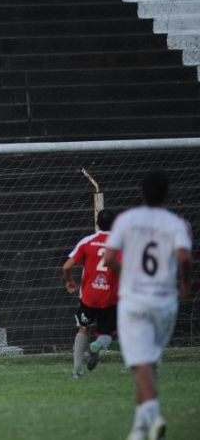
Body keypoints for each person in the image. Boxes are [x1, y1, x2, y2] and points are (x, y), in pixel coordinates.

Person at [103, 170, 192, 440]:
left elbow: (108, 258)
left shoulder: (127, 220)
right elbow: (184, 256)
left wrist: (125, 272)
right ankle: (140, 429)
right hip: (165, 302)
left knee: (141, 362)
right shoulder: (175, 223)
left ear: (141, 192)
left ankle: (153, 415)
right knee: (148, 363)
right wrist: (184, 283)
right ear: (167, 194)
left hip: (135, 301)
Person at [62, 209, 119, 378]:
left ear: (97, 223)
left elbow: (66, 266)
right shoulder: (119, 244)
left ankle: (76, 371)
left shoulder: (87, 242)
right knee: (107, 334)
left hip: (89, 296)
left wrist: (69, 280)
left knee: (82, 329)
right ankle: (96, 346)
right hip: (109, 297)